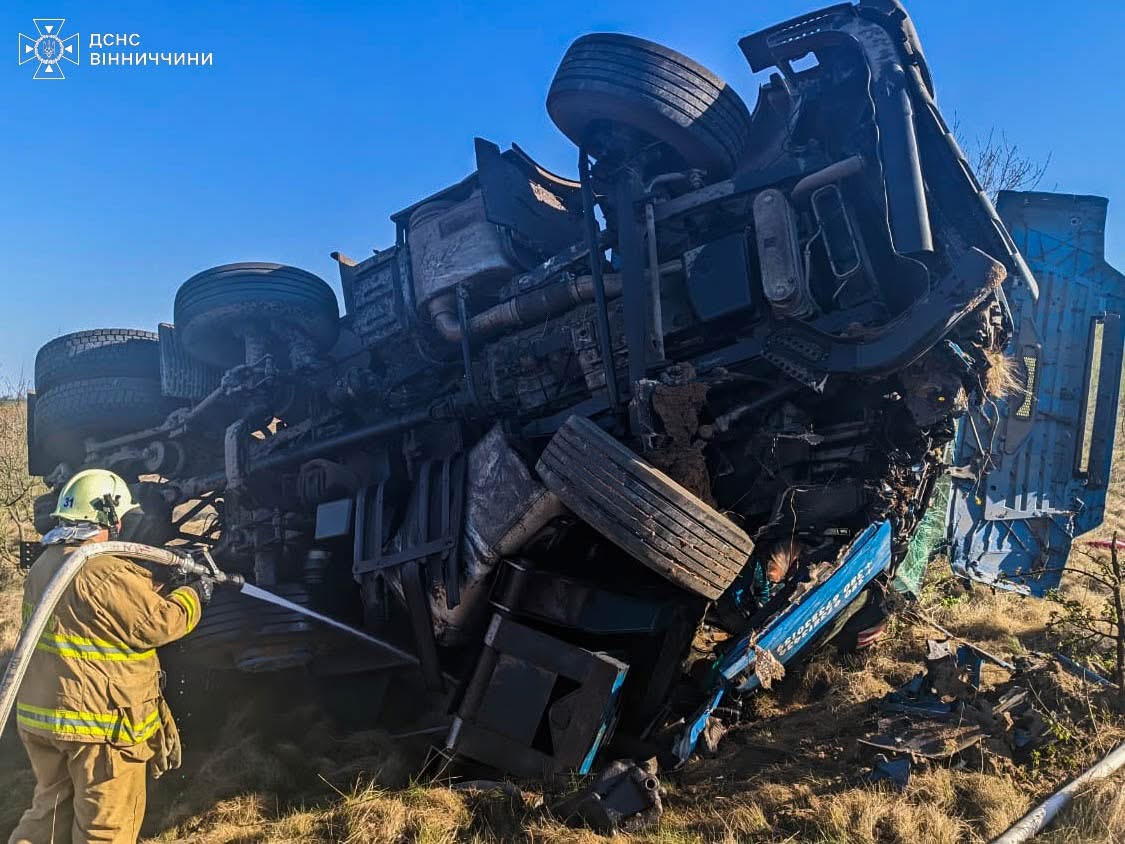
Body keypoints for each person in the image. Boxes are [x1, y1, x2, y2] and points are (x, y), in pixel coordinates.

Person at [9, 469, 212, 844]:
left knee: (48, 818)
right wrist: (194, 593)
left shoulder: (48, 562)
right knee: (105, 829)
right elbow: (161, 623)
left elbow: (97, 615)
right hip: (99, 729)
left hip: (43, 719)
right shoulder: (102, 569)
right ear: (110, 518)